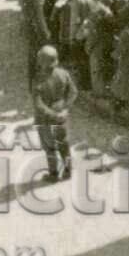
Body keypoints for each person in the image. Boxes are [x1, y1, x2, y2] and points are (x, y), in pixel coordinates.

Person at [32, 45, 78, 182]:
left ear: (42, 61)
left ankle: (53, 174)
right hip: (61, 113)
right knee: (63, 144)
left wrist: (51, 114)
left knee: (49, 147)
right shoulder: (64, 74)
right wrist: (65, 109)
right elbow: (74, 92)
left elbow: (38, 103)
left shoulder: (38, 79)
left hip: (45, 118)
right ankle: (68, 171)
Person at [21, 0, 51, 88]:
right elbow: (40, 20)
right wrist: (46, 35)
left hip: (27, 28)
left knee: (32, 57)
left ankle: (32, 84)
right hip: (36, 32)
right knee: (41, 60)